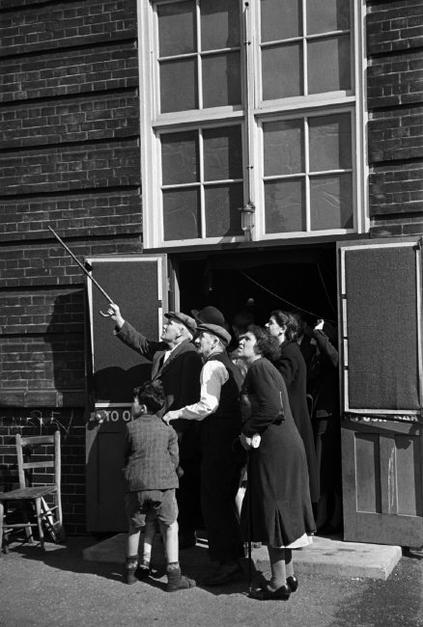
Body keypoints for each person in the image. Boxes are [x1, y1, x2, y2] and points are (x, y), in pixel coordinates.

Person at [106, 303, 203, 549]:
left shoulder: (190, 356)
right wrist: (119, 320)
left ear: (182, 332)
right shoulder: (162, 351)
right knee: (163, 482)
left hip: (176, 430)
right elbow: (142, 344)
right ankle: (164, 531)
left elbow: (189, 396)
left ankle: (183, 534)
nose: (165, 326)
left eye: (170, 324)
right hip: (160, 428)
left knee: (179, 480)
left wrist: (177, 431)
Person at [163, 322, 245, 586]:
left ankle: (227, 563)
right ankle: (234, 559)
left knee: (215, 503)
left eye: (202, 337)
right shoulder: (230, 365)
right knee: (225, 502)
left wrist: (176, 413)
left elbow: (208, 405)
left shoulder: (212, 365)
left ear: (215, 342)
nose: (197, 341)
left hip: (218, 445)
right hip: (231, 445)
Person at [237, 326, 315, 600]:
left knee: (274, 511)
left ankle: (278, 583)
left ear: (260, 345)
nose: (241, 341)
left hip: (276, 450)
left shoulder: (259, 368)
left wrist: (246, 431)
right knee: (281, 510)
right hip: (283, 447)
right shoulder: (265, 368)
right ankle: (288, 575)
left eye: (247, 338)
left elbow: (272, 409)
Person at [122, 379, 196, 592]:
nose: (132, 405)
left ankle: (130, 572)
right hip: (163, 486)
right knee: (170, 526)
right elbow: (174, 459)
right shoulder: (168, 430)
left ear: (143, 408)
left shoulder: (130, 428)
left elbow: (125, 456)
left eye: (134, 402)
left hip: (136, 486)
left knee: (135, 526)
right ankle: (173, 577)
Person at [265, 310, 319, 507]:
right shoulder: (285, 351)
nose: (266, 325)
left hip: (292, 418)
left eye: (271, 322)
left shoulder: (288, 353)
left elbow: (278, 387)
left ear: (283, 329)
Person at [308, 319, 342, 533]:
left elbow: (336, 359)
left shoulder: (332, 355)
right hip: (320, 414)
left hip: (328, 416)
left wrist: (320, 335)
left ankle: (331, 516)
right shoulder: (317, 357)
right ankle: (323, 515)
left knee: (327, 468)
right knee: (321, 468)